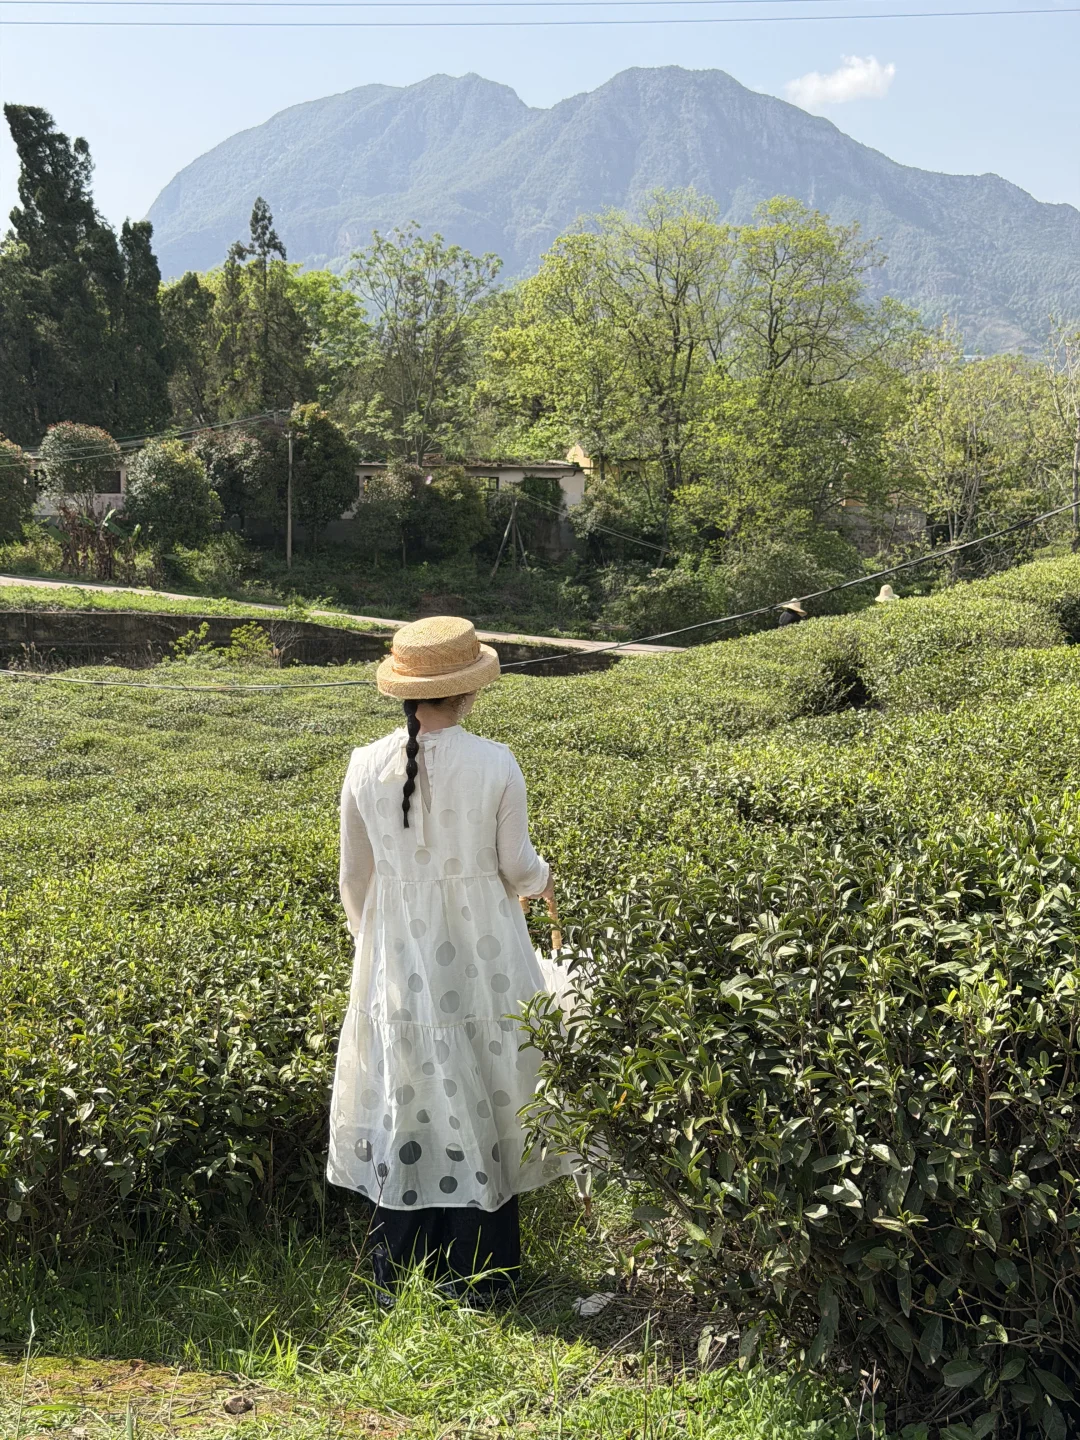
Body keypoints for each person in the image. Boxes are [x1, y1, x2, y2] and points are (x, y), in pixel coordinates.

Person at [327, 615, 574, 1306]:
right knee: (482, 1084)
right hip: (484, 950)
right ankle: (482, 1275)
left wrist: (375, 945)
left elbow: (355, 879)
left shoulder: (361, 764)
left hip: (398, 956)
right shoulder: (496, 762)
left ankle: (400, 1271)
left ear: (407, 692)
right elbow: (516, 867)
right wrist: (543, 880)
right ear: (468, 692)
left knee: (409, 1093)